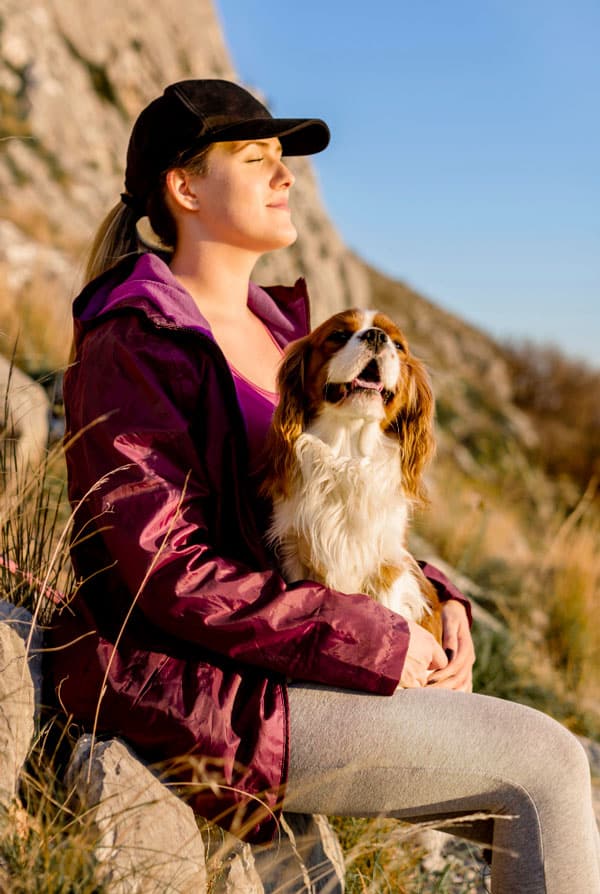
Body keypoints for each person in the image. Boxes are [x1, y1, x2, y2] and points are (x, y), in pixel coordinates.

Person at [49, 80, 600, 892]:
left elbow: (337, 506)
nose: (286, 177)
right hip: (201, 688)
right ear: (186, 187)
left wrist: (440, 601)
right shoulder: (138, 337)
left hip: (293, 661)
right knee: (548, 762)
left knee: (540, 780)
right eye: (258, 158)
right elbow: (167, 573)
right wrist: (374, 642)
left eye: (285, 163)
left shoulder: (280, 331)